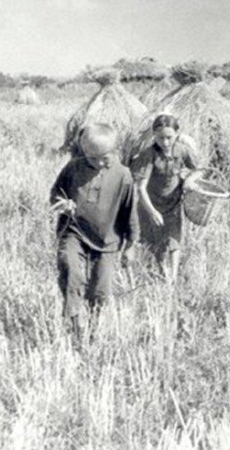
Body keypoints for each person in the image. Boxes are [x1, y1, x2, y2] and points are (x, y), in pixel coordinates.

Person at [49, 123, 139, 344]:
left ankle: (93, 328)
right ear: (84, 153)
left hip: (108, 239)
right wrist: (63, 204)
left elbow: (130, 211)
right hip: (74, 232)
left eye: (104, 158)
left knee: (100, 289)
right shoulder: (72, 168)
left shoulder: (123, 175)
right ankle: (74, 323)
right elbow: (55, 195)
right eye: (92, 158)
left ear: (114, 151)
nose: (99, 163)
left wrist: (131, 245)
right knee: (71, 271)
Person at [131, 114, 201, 284]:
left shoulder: (182, 150)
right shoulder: (149, 155)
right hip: (151, 204)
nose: (166, 142)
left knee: (174, 239)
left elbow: (199, 169)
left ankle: (173, 278)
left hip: (173, 203)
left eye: (169, 137)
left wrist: (191, 179)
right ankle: (162, 271)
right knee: (156, 242)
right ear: (154, 135)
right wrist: (152, 211)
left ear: (177, 134)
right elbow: (140, 188)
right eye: (161, 138)